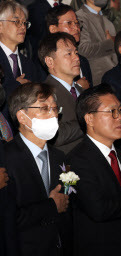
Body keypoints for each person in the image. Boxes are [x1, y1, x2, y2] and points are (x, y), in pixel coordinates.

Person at [67, 84, 121, 255]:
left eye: (120, 111)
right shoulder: (78, 160)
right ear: (90, 119)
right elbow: (99, 209)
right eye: (112, 112)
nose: (120, 118)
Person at [5, 82, 71, 256]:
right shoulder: (5, 159)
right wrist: (50, 206)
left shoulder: (60, 158)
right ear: (22, 117)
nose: (53, 115)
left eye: (55, 109)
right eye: (44, 108)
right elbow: (7, 218)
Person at [38, 32, 85, 154]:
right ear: (50, 62)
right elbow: (55, 135)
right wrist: (90, 120)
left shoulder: (83, 91)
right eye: (68, 54)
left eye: (76, 53)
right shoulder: (43, 94)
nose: (76, 58)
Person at [0, 1, 43, 117]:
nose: (23, 27)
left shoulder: (29, 64)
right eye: (16, 22)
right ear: (0, 26)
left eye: (25, 23)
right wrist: (16, 85)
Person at [46, 4, 93, 88]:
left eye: (77, 23)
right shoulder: (46, 62)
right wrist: (78, 87)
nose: (76, 28)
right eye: (69, 23)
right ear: (53, 29)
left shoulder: (83, 61)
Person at [76, 0, 118, 86]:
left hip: (115, 81)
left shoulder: (108, 22)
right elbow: (83, 50)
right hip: (96, 82)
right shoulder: (79, 17)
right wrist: (111, 44)